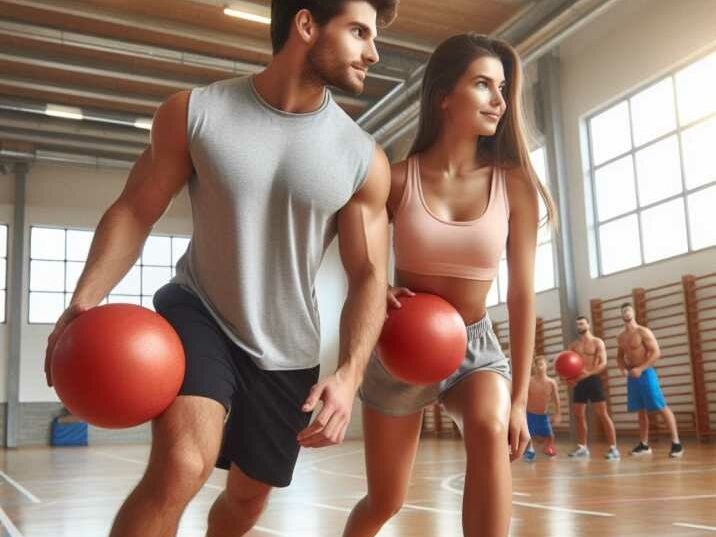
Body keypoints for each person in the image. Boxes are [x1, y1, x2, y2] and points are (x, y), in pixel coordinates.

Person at [43, 1, 399, 536]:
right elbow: (136, 209)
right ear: (306, 25)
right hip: (199, 310)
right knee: (182, 465)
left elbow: (369, 275)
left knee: (247, 500)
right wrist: (84, 298)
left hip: (288, 349)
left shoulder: (362, 157)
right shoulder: (195, 113)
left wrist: (348, 375)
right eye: (358, 32)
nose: (372, 52)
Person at [342, 33, 556, 537]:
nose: (500, 102)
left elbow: (522, 295)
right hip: (400, 346)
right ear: (443, 94)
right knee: (384, 502)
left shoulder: (515, 184)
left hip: (475, 345)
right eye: (483, 85)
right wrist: (378, 289)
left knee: (489, 427)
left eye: (502, 88)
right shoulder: (394, 179)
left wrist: (520, 398)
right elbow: (361, 262)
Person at [617, 303, 684, 458]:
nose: (626, 313)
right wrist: (622, 368)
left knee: (661, 406)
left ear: (633, 312)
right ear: (621, 315)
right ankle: (644, 445)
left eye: (628, 310)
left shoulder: (643, 331)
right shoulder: (621, 337)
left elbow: (656, 353)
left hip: (646, 372)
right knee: (640, 410)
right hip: (633, 376)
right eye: (623, 311)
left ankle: (676, 443)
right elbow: (620, 356)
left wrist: (640, 369)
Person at [566, 316, 620, 460]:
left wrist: (589, 373)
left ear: (588, 324)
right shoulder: (573, 346)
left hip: (593, 379)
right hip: (579, 382)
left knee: (602, 414)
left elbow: (603, 363)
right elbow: (567, 365)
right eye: (577, 324)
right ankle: (582, 448)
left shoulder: (597, 342)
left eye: (582, 323)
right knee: (578, 414)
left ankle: (613, 448)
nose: (579, 326)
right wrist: (569, 379)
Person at [523, 355, 561, 461]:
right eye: (536, 365)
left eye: (540, 364)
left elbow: (556, 399)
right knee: (528, 434)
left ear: (546, 366)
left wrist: (558, 413)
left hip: (543, 415)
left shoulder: (551, 382)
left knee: (550, 435)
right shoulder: (529, 381)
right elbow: (523, 396)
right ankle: (530, 450)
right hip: (529, 413)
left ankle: (548, 447)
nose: (538, 367)